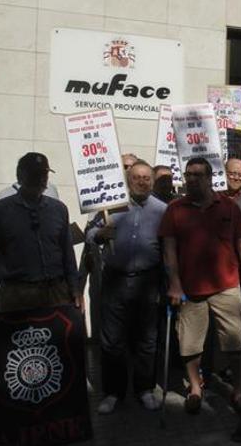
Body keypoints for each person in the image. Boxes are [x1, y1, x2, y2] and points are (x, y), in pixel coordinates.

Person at [159, 157, 241, 414]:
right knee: (190, 345)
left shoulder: (228, 207)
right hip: (191, 289)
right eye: (188, 175)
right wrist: (174, 284)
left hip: (227, 285)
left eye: (197, 175)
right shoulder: (175, 209)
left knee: (236, 343)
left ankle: (237, 391)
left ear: (208, 177)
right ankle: (195, 388)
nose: (191, 179)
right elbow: (169, 249)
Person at [86, 161, 168, 413]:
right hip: (115, 280)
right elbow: (89, 234)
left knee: (146, 340)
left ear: (152, 181)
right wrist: (100, 235)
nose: (142, 182)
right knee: (112, 341)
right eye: (136, 177)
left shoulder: (163, 210)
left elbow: (169, 248)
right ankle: (113, 392)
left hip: (148, 280)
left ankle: (144, 389)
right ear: (127, 179)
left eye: (146, 178)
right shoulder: (111, 207)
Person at [0, 153, 82, 315]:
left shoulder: (59, 209)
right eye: (34, 174)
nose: (41, 179)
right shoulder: (1, 211)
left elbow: (68, 253)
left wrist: (75, 288)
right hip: (17, 295)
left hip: (56, 293)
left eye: (44, 174)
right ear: (21, 176)